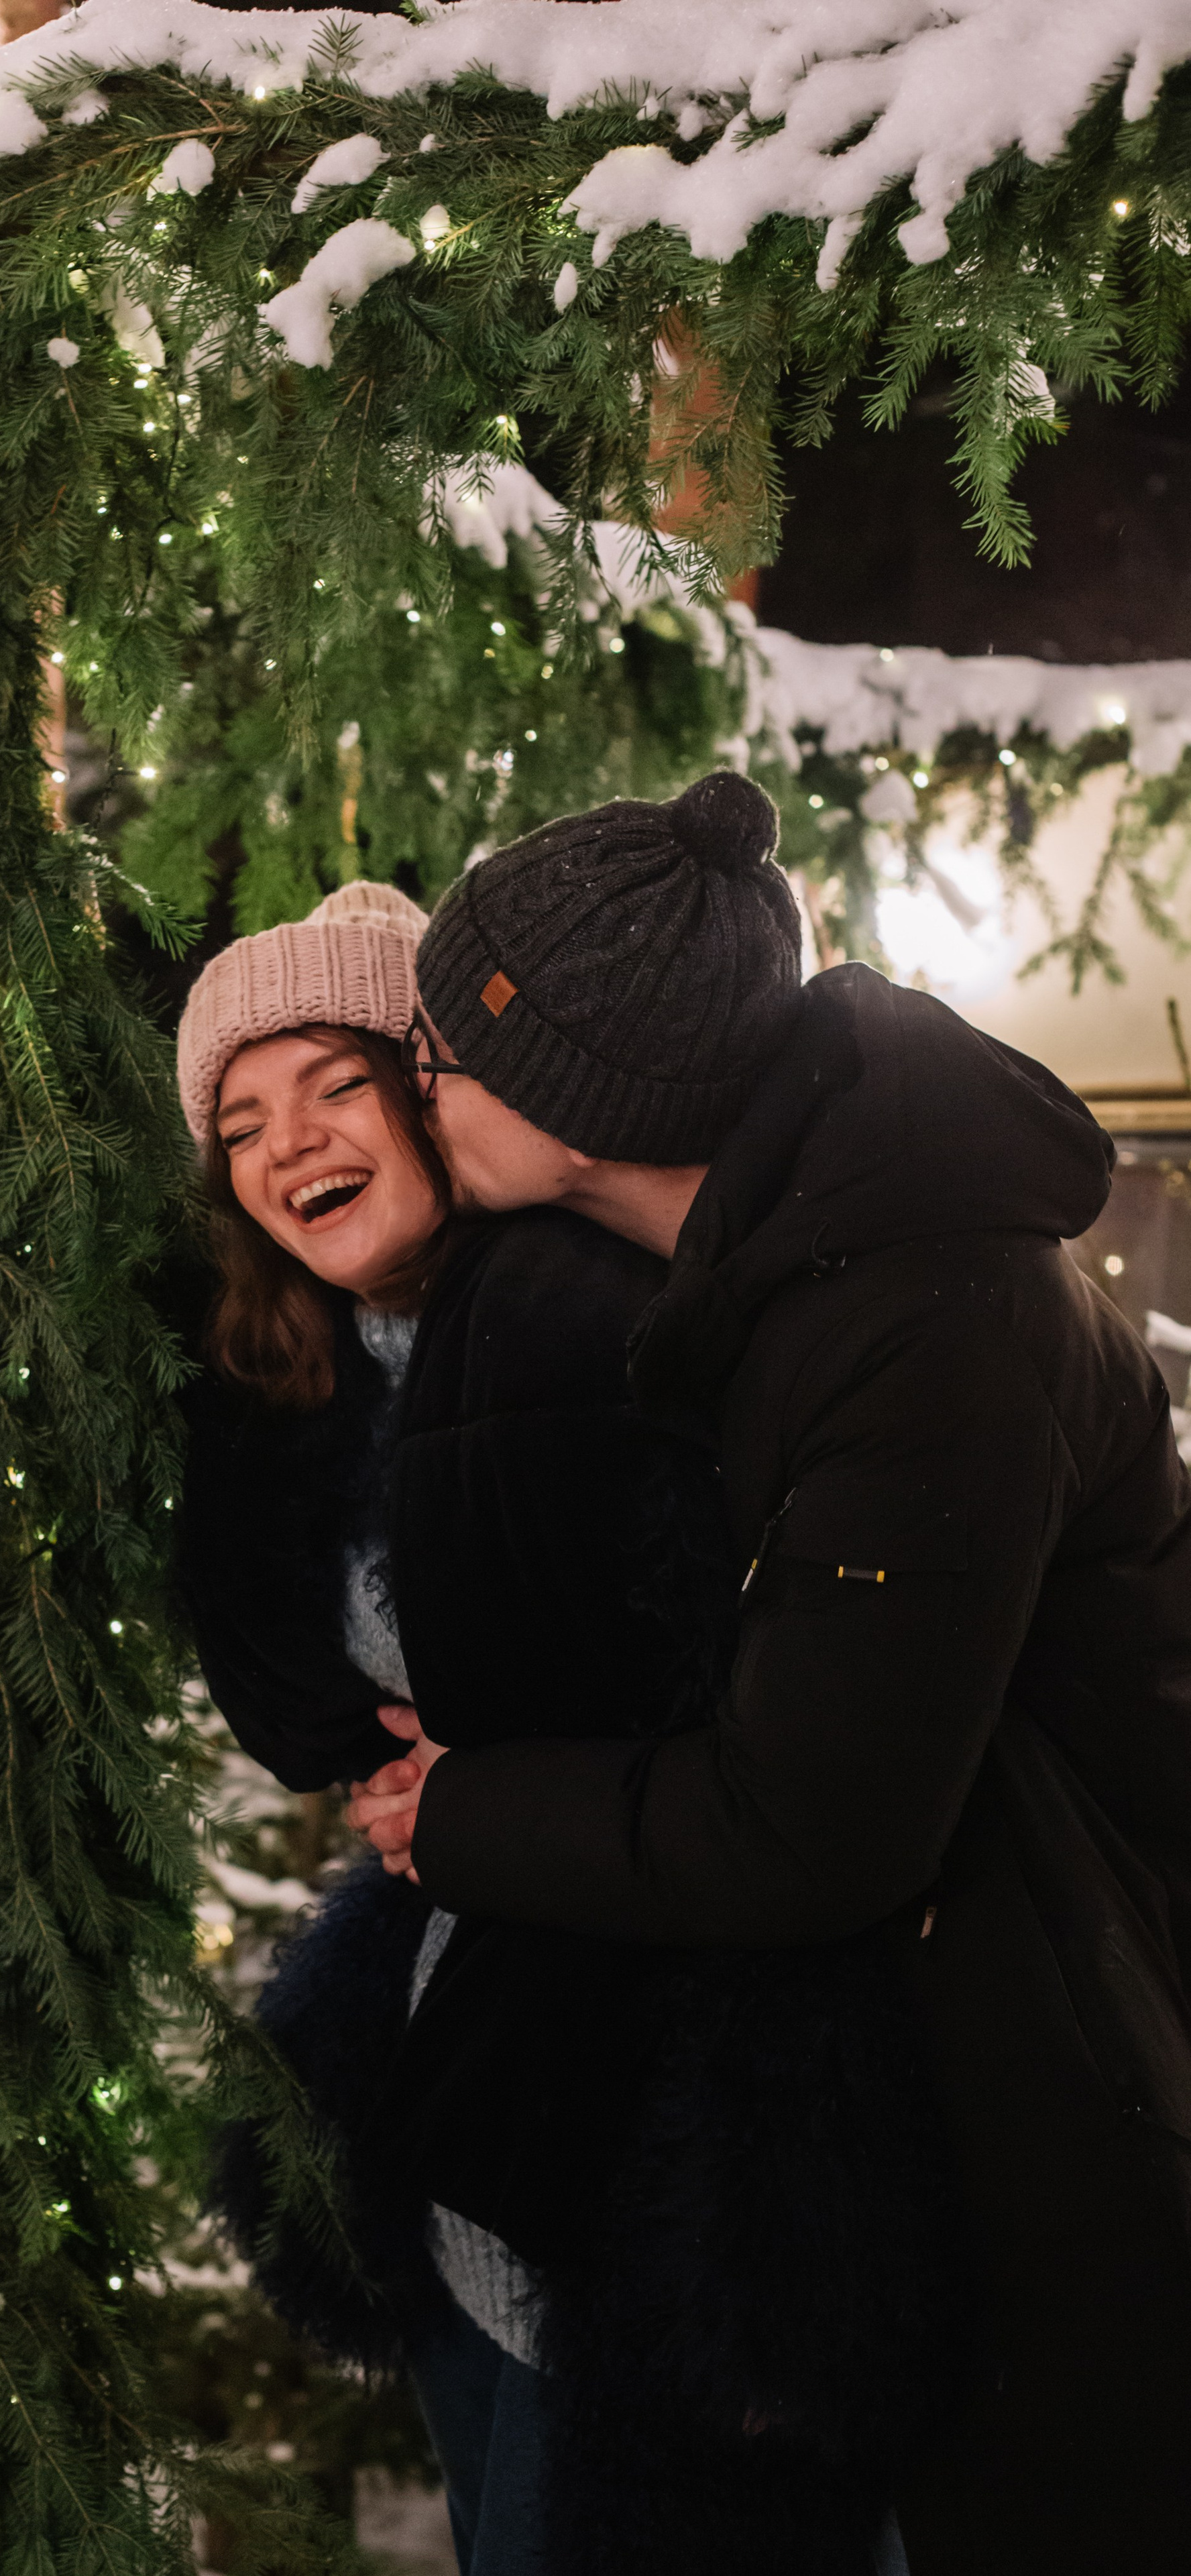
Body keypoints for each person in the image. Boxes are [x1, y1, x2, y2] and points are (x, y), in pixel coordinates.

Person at [349, 767, 1191, 2576]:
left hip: (1077, 2067)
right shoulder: (764, 1269)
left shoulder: (928, 1321)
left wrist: (467, 1813)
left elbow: (814, 1824)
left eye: (441, 1049)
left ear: (583, 1088)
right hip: (940, 2049)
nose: (415, 1080)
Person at [175, 878, 949, 2576]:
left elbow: (748, 1763)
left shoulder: (578, 1321)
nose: (285, 1140)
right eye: (239, 1118)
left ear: (436, 1087)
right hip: (473, 2096)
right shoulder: (311, 1377)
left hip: (659, 2129)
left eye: (332, 1082)